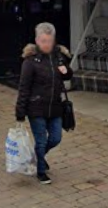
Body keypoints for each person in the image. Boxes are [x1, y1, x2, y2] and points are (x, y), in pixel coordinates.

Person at [15, 23, 73, 184]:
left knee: (55, 138)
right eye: (43, 41)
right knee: (40, 141)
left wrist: (66, 71)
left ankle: (37, 158)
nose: (46, 44)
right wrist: (20, 111)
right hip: (36, 107)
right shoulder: (30, 61)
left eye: (49, 41)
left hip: (55, 106)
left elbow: (68, 75)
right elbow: (23, 88)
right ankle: (41, 172)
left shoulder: (58, 56)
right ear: (37, 40)